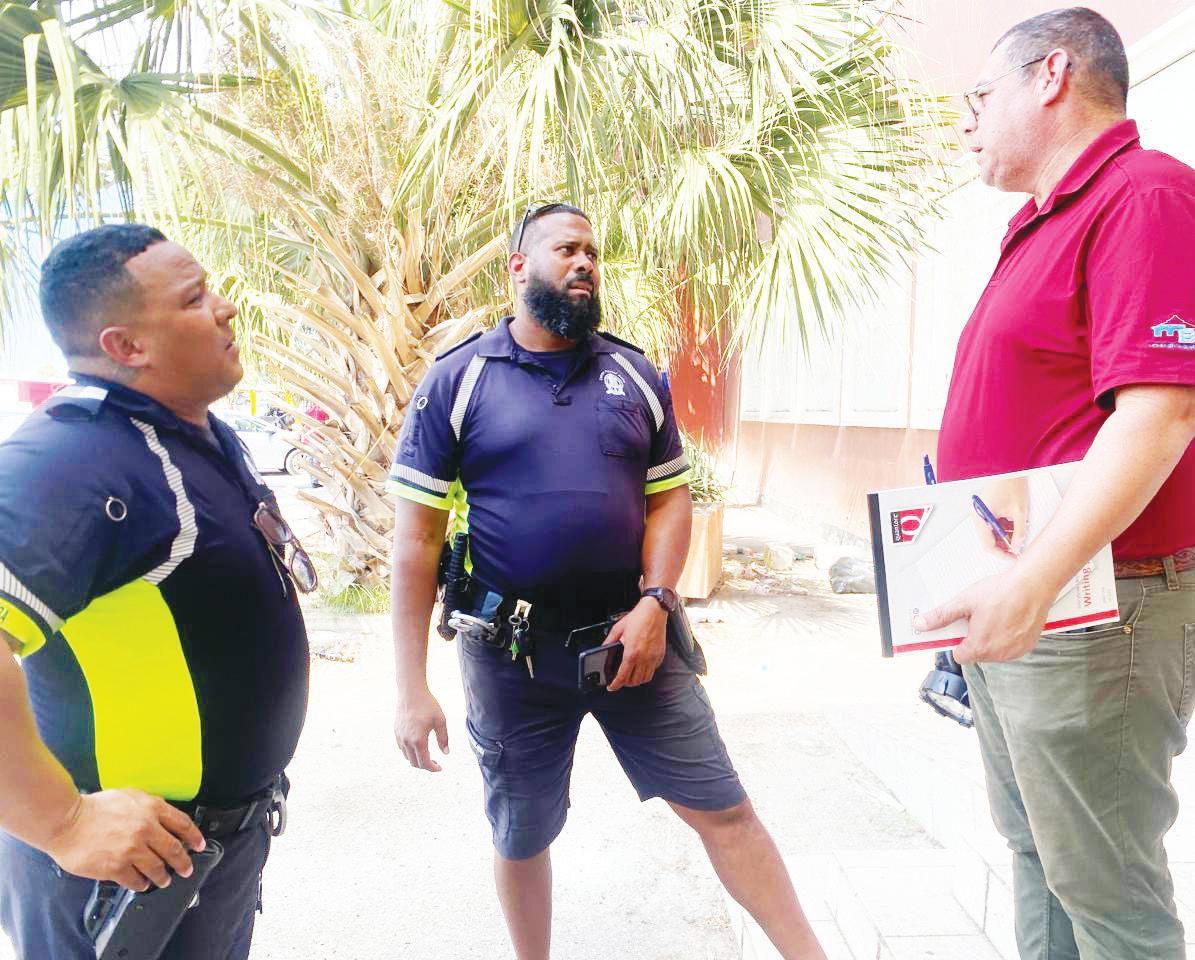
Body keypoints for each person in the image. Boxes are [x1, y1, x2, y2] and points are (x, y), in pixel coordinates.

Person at [388, 203, 827, 959]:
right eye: (566, 249)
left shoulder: (634, 374)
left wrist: (658, 600)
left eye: (591, 251)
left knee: (725, 809)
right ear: (518, 268)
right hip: (512, 659)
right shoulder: (459, 379)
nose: (584, 262)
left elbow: (670, 499)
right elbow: (416, 540)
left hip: (636, 644)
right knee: (521, 835)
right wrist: (411, 688)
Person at [916, 9, 1195, 958]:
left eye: (977, 95)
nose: (965, 121)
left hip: (1093, 603)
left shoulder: (1144, 196)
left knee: (1106, 889)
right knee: (1039, 853)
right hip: (1028, 594)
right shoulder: (1042, 219)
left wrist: (1031, 582)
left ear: (1051, 75)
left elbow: (1160, 416)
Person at [0, 224, 314, 959]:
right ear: (126, 346)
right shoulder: (71, 458)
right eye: (195, 299)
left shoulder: (189, 433)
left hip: (204, 858)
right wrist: (61, 822)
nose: (226, 308)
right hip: (119, 878)